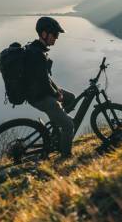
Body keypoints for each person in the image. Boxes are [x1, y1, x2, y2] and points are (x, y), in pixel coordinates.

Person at [24, 16, 76, 158]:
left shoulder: (36, 49)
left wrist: (56, 89)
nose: (56, 38)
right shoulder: (37, 54)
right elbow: (43, 82)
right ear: (44, 34)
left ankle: (56, 126)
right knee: (69, 125)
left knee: (70, 98)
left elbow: (44, 77)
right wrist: (55, 94)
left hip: (38, 91)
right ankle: (65, 156)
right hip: (39, 97)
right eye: (55, 34)